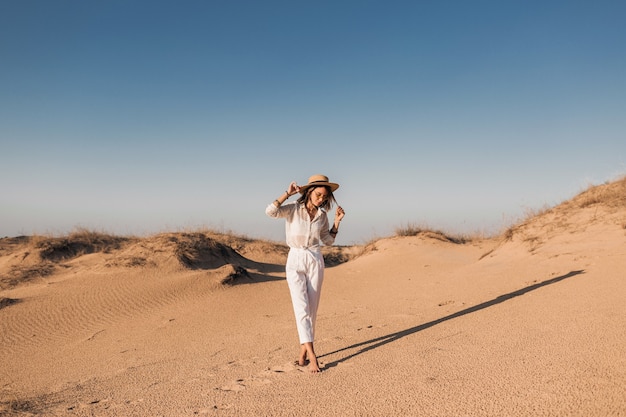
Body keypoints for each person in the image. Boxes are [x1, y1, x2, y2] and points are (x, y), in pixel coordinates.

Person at [265, 174, 345, 373]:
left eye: (324, 197)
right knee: (301, 307)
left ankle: (302, 352)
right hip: (295, 259)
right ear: (309, 192)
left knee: (312, 310)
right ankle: (312, 355)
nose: (321, 199)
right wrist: (286, 194)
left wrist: (337, 222)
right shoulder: (293, 208)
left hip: (315, 259)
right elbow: (270, 212)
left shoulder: (322, 215)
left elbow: (328, 240)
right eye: (318, 195)